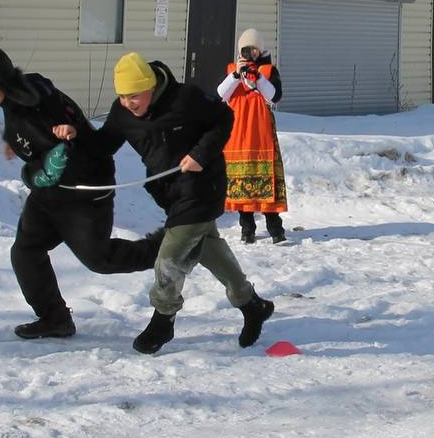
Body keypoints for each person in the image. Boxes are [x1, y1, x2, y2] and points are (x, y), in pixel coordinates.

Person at [0, 46, 162, 339]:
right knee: (25, 251)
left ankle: (169, 249)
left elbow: (50, 116)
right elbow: (28, 128)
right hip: (50, 192)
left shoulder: (38, 99)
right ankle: (55, 318)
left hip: (84, 190)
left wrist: (64, 135)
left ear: (2, 80)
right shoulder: (13, 101)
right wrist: (14, 141)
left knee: (100, 260)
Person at [93, 52, 275, 355]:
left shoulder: (186, 99)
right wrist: (67, 138)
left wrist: (200, 154)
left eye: (134, 96)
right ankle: (252, 305)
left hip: (204, 186)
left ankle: (162, 320)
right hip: (169, 192)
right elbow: (101, 146)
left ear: (151, 87)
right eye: (123, 96)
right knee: (208, 249)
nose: (128, 103)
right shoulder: (122, 112)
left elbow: (223, 119)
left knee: (170, 255)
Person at [217, 28, 288, 244]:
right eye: (246, 50)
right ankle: (246, 228)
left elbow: (274, 96)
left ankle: (275, 228)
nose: (251, 54)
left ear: (261, 50)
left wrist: (257, 77)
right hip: (237, 135)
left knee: (266, 180)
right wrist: (237, 75)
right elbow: (220, 94)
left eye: (254, 49)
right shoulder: (232, 70)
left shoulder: (268, 71)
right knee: (241, 185)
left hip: (261, 134)